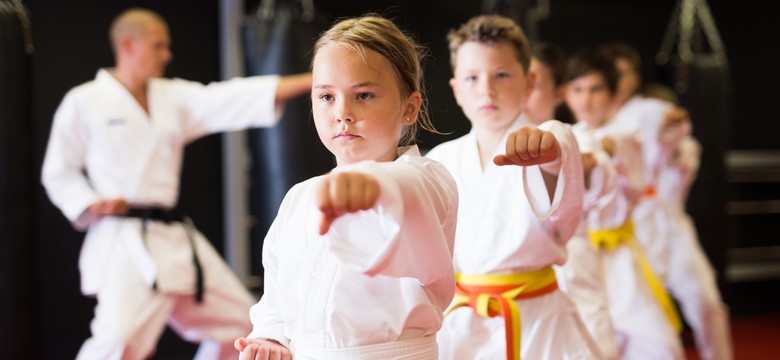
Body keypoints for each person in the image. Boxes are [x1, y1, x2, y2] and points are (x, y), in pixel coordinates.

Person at [40, 8, 312, 360]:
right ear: (127, 44)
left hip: (175, 240)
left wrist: (314, 81)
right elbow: (58, 171)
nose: (167, 55)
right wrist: (89, 202)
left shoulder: (172, 97)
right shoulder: (85, 101)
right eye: (159, 46)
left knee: (241, 327)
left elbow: (232, 97)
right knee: (119, 342)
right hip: (125, 244)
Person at [233, 15, 459, 360]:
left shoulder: (427, 179)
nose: (343, 113)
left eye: (363, 95)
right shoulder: (300, 198)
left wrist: (374, 188)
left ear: (409, 107)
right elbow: (277, 301)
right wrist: (273, 340)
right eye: (326, 97)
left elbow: (406, 190)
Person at [428, 15, 601, 360]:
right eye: (472, 77)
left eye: (501, 74)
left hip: (539, 322)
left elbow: (560, 145)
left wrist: (550, 152)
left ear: (530, 81)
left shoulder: (546, 138)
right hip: (461, 325)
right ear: (456, 89)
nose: (486, 89)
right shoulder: (439, 160)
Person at [600, 41, 733, 360]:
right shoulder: (597, 119)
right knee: (634, 321)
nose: (621, 80)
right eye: (613, 73)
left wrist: (673, 121)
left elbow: (676, 126)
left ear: (634, 78)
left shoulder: (646, 110)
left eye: (626, 73)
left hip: (670, 224)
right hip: (627, 234)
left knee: (706, 302)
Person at [563, 49, 686, 359]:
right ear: (566, 94)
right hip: (576, 258)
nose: (586, 99)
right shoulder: (565, 137)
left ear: (613, 93)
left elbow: (614, 143)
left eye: (596, 89)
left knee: (660, 346)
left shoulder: (625, 133)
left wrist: (597, 152)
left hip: (618, 254)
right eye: (578, 89)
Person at [523, 42, 620, 360]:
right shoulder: (491, 144)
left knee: (594, 343)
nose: (524, 91)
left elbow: (596, 162)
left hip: (572, 264)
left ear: (559, 91)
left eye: (534, 83)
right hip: (517, 284)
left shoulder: (577, 138)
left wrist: (572, 161)